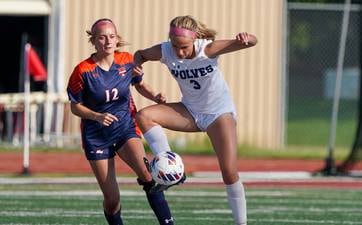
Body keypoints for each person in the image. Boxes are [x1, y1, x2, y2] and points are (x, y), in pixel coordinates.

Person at [133, 15, 257, 225]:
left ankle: (241, 223)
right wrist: (136, 69)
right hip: (190, 112)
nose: (179, 52)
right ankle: (172, 169)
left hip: (218, 114)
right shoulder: (165, 51)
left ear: (194, 39)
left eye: (184, 47)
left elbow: (252, 41)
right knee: (144, 116)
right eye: (175, 46)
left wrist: (247, 38)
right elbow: (140, 55)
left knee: (229, 171)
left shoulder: (207, 49)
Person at [66, 18, 175, 225]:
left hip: (125, 128)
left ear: (117, 39)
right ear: (94, 41)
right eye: (102, 37)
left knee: (148, 176)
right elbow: (74, 106)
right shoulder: (83, 71)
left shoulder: (126, 60)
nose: (108, 41)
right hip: (97, 137)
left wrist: (155, 97)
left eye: (112, 36)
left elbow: (139, 84)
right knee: (112, 199)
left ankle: (168, 223)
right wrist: (96, 116)